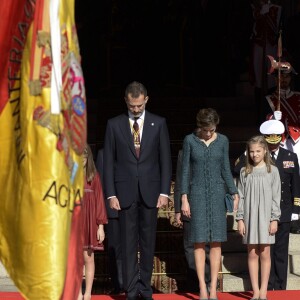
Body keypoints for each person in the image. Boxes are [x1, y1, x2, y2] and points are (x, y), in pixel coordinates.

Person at [103, 81, 172, 300]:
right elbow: (108, 163)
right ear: (126, 101)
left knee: (148, 242)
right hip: (124, 194)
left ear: (146, 100)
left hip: (151, 192)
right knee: (128, 244)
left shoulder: (158, 123)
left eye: (139, 106)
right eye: (132, 106)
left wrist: (164, 191)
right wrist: (111, 194)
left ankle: (145, 287)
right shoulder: (114, 125)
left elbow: (165, 160)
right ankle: (131, 289)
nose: (135, 110)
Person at [234, 118, 300, 290]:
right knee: (264, 250)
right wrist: (248, 153)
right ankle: (267, 286)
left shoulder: (290, 156)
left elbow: (296, 184)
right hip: (258, 212)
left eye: (276, 138)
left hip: (282, 210)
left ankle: (280, 288)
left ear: (281, 138)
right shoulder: (255, 155)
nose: (273, 143)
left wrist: (296, 209)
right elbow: (239, 170)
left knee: (280, 252)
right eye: (269, 140)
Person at [180, 108, 239, 300]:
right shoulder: (189, 140)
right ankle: (202, 288)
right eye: (205, 130)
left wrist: (233, 191)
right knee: (198, 243)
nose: (208, 133)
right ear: (199, 127)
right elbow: (185, 171)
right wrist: (183, 197)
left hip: (217, 194)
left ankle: (213, 288)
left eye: (212, 129)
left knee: (216, 243)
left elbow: (225, 168)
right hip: (196, 194)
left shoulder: (223, 141)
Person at [236, 135, 281, 300]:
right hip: (249, 216)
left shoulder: (272, 171)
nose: (254, 154)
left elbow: (276, 197)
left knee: (265, 253)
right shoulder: (244, 171)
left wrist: (274, 219)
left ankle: (264, 291)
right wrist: (240, 219)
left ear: (265, 151)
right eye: (251, 151)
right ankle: (255, 291)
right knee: (252, 253)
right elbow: (240, 196)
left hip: (266, 217)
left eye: (258, 151)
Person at [174, 149, 211, 293]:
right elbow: (179, 180)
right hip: (187, 206)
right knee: (190, 247)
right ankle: (194, 284)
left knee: (206, 246)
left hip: (207, 205)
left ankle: (206, 283)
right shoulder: (184, 153)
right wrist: (177, 209)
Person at [78, 145, 108, 300]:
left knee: (89, 257)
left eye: (84, 157)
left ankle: (88, 293)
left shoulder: (93, 176)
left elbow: (99, 202)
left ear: (88, 158)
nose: (81, 160)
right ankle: (77, 292)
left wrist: (101, 226)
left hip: (90, 221)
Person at [96, 148, 124, 294]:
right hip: (112, 211)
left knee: (131, 249)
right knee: (115, 249)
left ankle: (131, 283)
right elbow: (99, 184)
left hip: (131, 208)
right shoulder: (103, 154)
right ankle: (118, 284)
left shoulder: (133, 149)